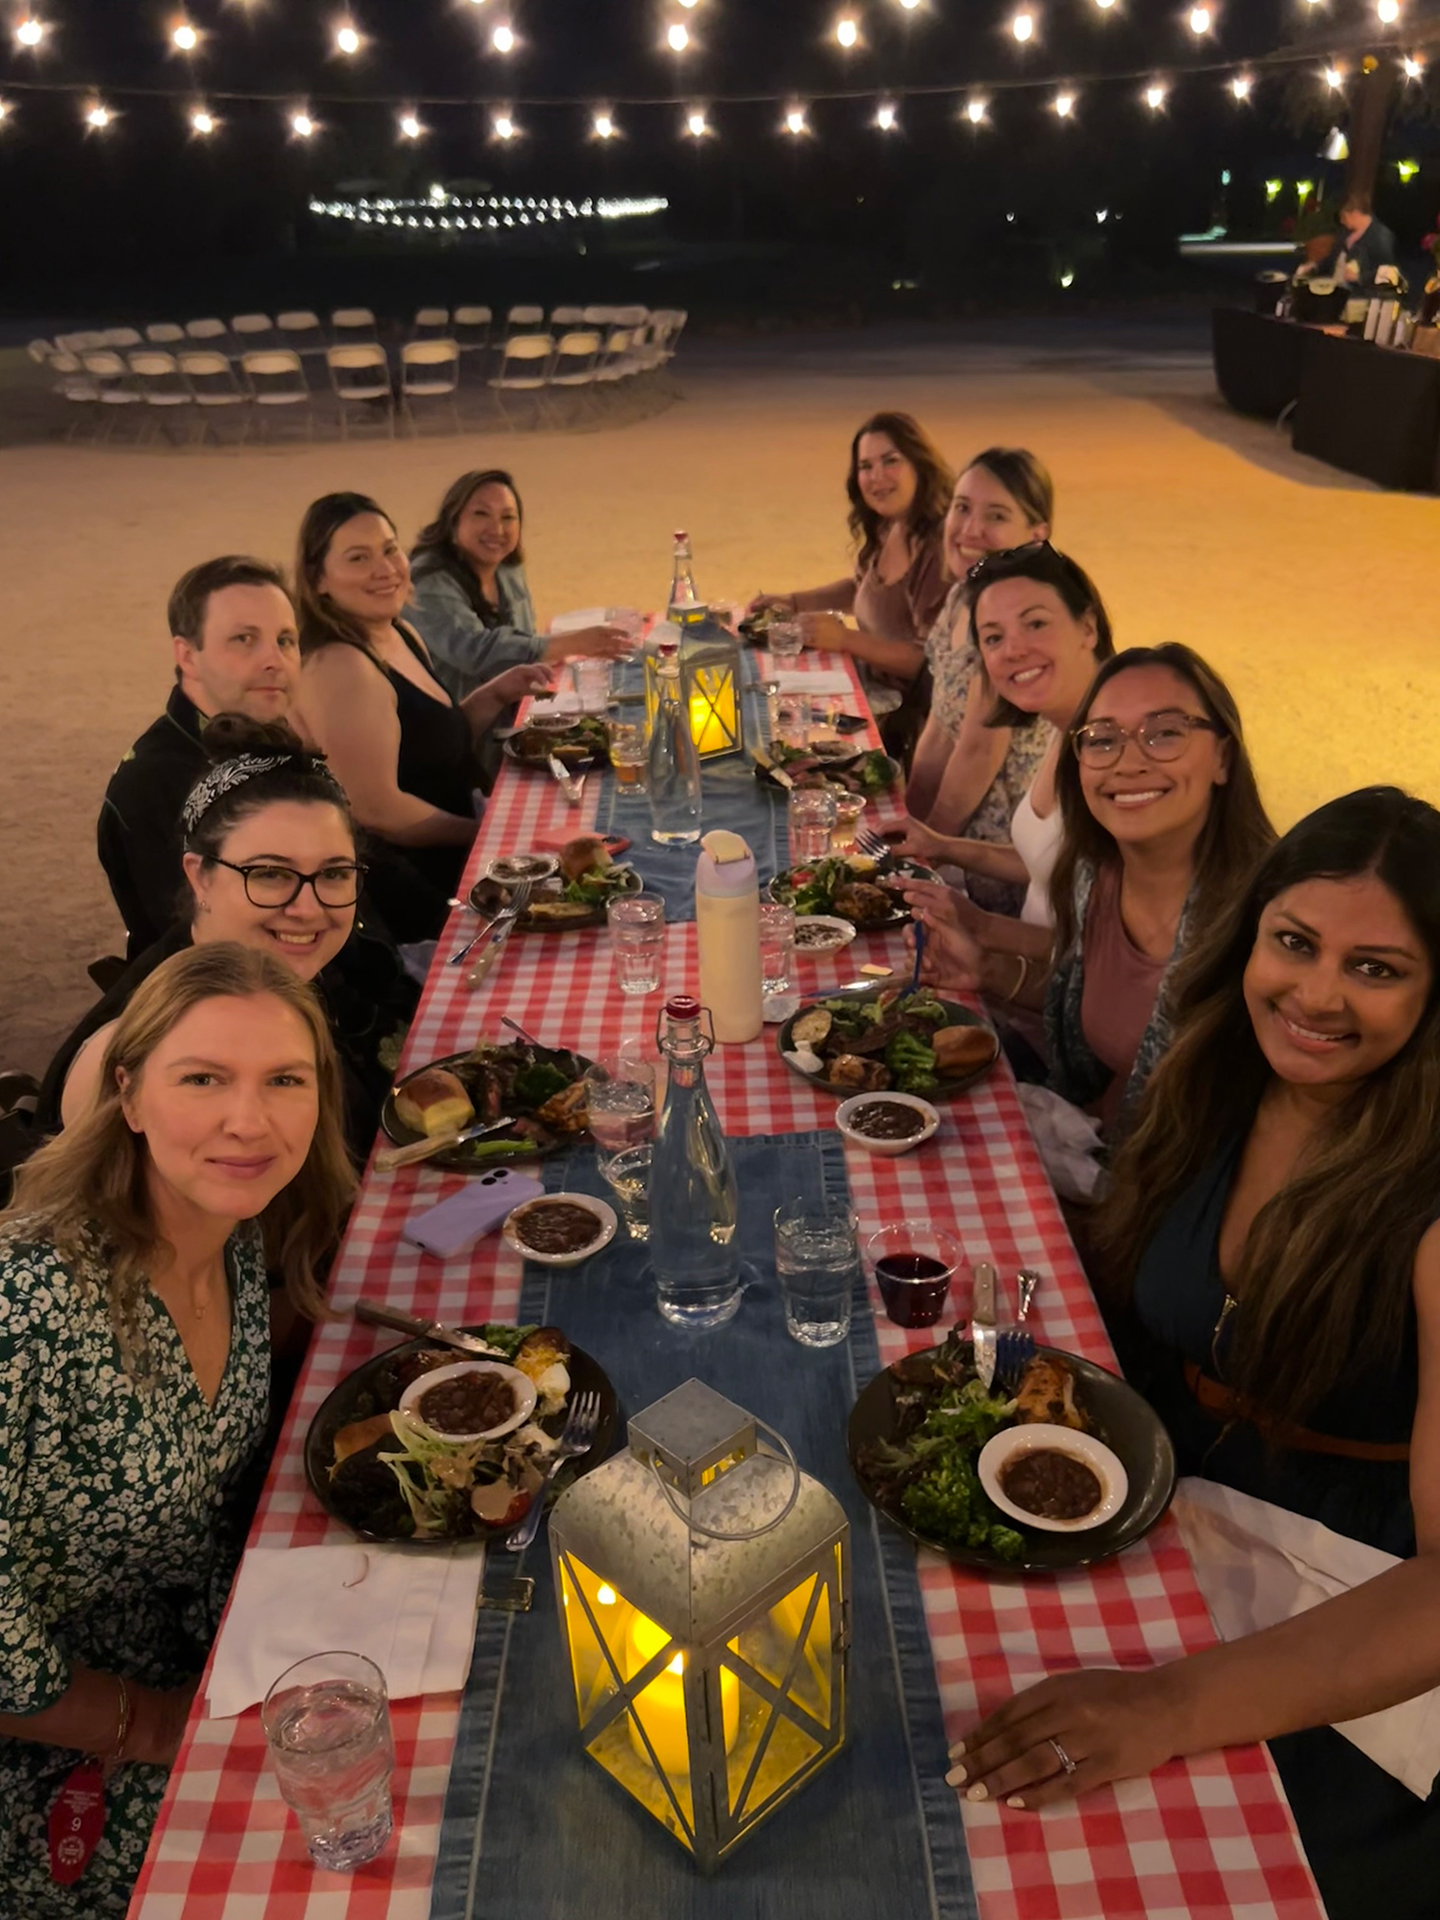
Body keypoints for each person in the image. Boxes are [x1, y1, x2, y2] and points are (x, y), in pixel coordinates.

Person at [948, 788, 1440, 1920]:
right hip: (1152, 1489)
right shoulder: (1218, 1083)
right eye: (1296, 944)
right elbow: (1132, 1282)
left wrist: (1163, 1710)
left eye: (1378, 968)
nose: (1315, 996)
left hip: (1337, 1587)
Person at [0, 942, 352, 1916]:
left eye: (286, 1079)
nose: (251, 1120)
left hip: (209, 1633)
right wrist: (160, 1728)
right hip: (63, 1740)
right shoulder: (27, 1315)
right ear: (130, 1095)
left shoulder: (233, 1237)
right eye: (204, 1078)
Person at [907, 643, 1271, 1130]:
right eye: (1102, 740)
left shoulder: (1267, 923)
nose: (1128, 761)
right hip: (1097, 1143)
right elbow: (1089, 1003)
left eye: (1164, 734)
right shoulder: (1096, 875)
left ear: (1222, 757)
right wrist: (987, 968)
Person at [45, 717, 415, 1159]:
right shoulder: (150, 1054)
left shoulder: (272, 965)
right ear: (199, 876)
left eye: (334, 873)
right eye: (270, 873)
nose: (308, 908)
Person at [292, 491, 551, 942]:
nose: (385, 569)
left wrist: (493, 694)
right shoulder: (340, 667)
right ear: (319, 581)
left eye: (390, 549)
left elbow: (430, 747)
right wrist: (485, 836)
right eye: (358, 558)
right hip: (420, 896)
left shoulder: (398, 631)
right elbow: (378, 809)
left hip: (463, 860)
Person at [897, 542, 1115, 958]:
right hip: (1031, 983)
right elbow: (1045, 860)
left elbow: (1107, 958)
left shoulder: (1116, 754)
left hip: (1055, 1002)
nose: (1013, 650)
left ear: (1088, 627)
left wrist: (980, 928)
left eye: (1035, 624)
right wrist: (940, 844)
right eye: (994, 638)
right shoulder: (1065, 725)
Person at [97, 556, 300, 958]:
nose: (274, 660)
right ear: (187, 656)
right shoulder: (155, 785)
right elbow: (220, 952)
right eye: (244, 639)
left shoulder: (265, 737)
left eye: (285, 640)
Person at [906, 451, 1055, 912]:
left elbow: (977, 752)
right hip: (956, 848)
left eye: (995, 516)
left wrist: (928, 847)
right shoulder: (962, 594)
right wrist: (909, 820)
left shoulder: (1009, 624)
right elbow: (939, 728)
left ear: (1036, 535)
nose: (970, 530)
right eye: (962, 507)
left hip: (1002, 869)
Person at [748, 410, 952, 724]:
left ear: (919, 464)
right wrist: (793, 602)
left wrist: (846, 640)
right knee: (760, 691)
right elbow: (864, 588)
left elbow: (928, 662)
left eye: (891, 461)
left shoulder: (937, 549)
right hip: (869, 685)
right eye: (865, 466)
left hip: (909, 717)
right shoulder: (889, 526)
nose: (877, 476)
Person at [407, 468, 632, 700]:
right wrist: (571, 643)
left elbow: (524, 641)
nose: (497, 530)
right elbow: (475, 652)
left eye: (507, 517)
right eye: (481, 514)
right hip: (457, 722)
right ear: (453, 521)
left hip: (507, 707)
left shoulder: (507, 568)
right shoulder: (427, 581)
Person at [1302, 190, 1399, 289]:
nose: (1341, 221)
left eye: (1344, 216)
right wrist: (1314, 266)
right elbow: (1331, 259)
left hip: (1362, 296)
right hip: (1334, 290)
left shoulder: (1381, 236)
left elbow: (1388, 274)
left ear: (1355, 213)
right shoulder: (1344, 233)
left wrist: (1358, 277)